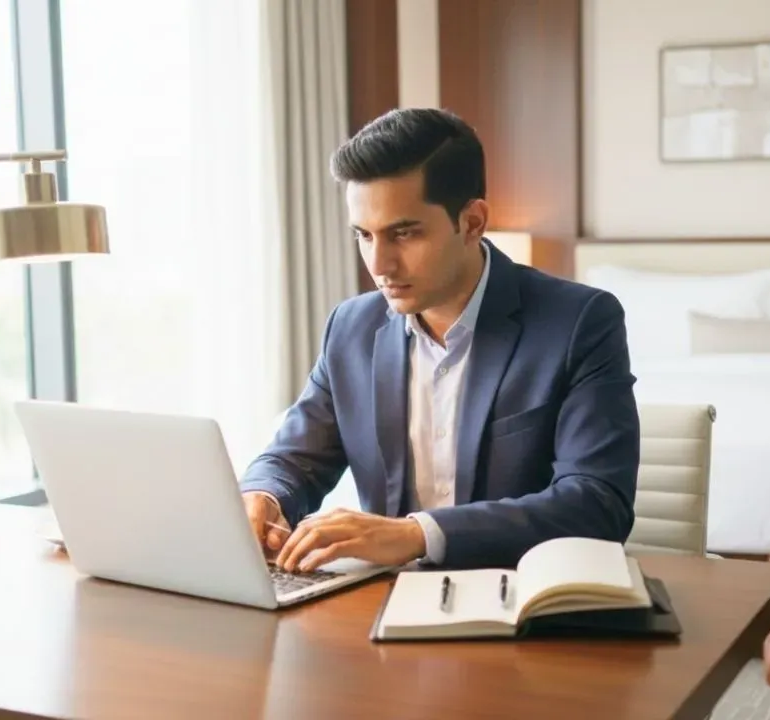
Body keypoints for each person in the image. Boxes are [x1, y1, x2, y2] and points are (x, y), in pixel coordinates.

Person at [239, 108, 640, 572]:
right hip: (381, 608)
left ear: (472, 222)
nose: (379, 264)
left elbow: (597, 503)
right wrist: (263, 495)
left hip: (519, 604)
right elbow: (294, 458)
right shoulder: (350, 328)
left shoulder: (579, 322)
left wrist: (416, 534)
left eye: (403, 233)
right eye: (364, 235)